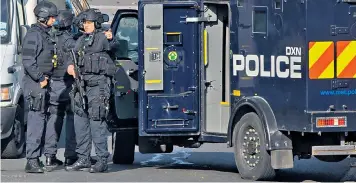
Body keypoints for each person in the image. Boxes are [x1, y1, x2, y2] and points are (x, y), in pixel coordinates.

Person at [65, 8, 115, 173]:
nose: (86, 26)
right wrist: (70, 67)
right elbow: (70, 57)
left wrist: (112, 37)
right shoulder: (80, 40)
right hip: (81, 85)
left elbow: (115, 45)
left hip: (98, 86)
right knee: (80, 122)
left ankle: (102, 160)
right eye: (84, 23)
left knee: (96, 122)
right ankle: (83, 158)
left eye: (89, 23)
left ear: (97, 24)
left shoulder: (103, 38)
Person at [21, 0, 58, 173]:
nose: (54, 20)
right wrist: (40, 78)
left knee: (42, 120)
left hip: (43, 82)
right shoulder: (33, 35)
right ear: (44, 17)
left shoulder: (45, 34)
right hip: (36, 83)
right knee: (36, 122)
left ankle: (37, 158)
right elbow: (28, 61)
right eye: (52, 17)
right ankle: (32, 160)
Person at [42, 10, 77, 170]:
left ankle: (49, 156)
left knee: (53, 119)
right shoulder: (70, 40)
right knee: (71, 118)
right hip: (67, 84)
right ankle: (70, 155)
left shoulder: (49, 37)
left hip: (52, 83)